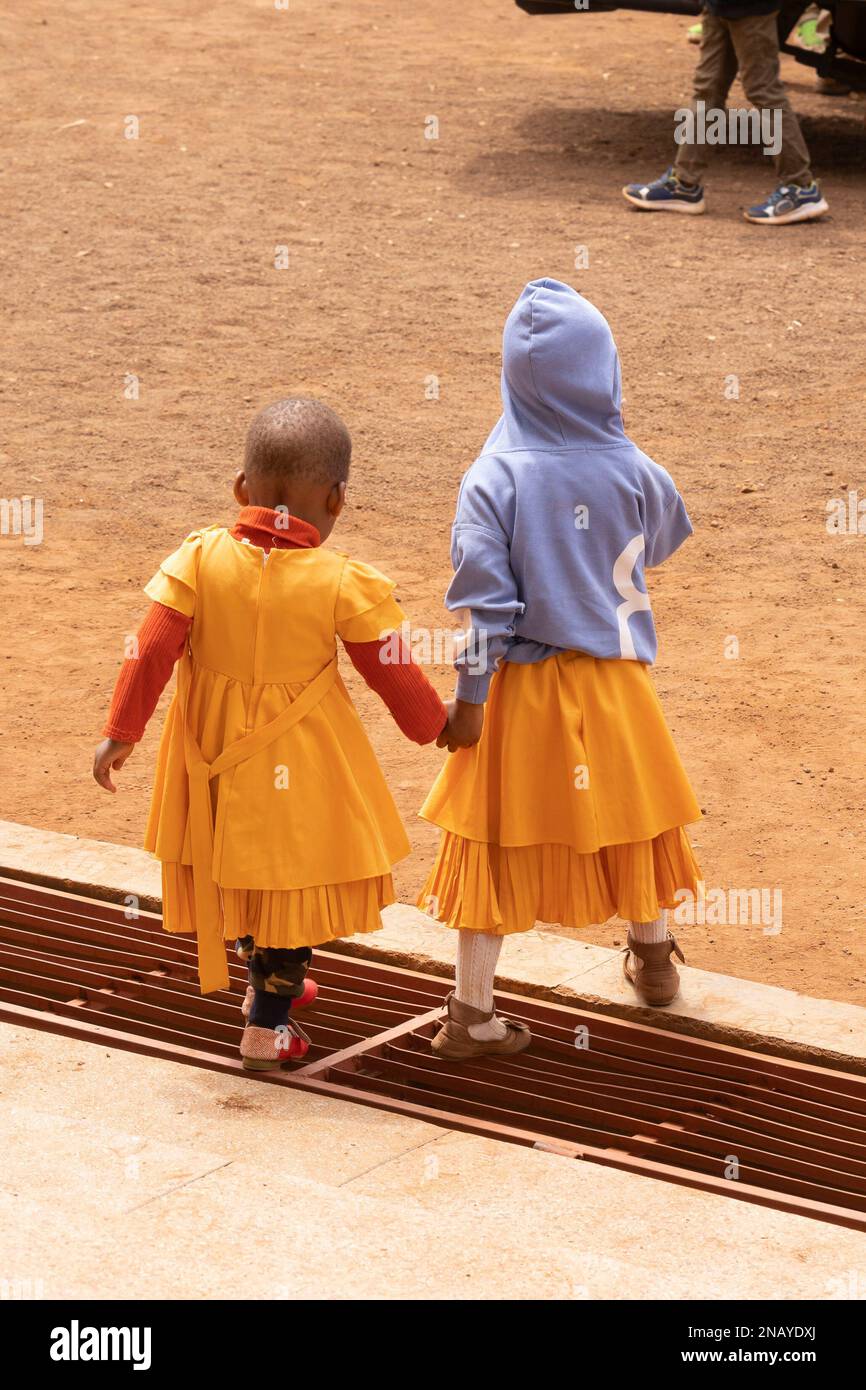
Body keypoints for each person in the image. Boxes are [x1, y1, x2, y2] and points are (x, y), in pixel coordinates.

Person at [93, 398, 448, 1070]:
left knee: (237, 870)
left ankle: (264, 985)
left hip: (211, 754)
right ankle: (266, 1029)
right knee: (286, 883)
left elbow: (151, 649)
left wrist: (121, 731)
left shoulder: (197, 561)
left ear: (239, 488)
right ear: (337, 499)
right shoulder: (341, 582)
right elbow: (392, 673)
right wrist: (437, 726)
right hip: (299, 763)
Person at [418, 280, 702, 1061]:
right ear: (604, 373)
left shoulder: (493, 477)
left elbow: (486, 609)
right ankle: (653, 963)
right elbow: (667, 530)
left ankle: (472, 1014)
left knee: (494, 843)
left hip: (522, 694)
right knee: (636, 820)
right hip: (616, 687)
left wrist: (469, 699)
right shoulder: (634, 467)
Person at [623, 2, 829, 225]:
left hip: (750, 8)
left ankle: (800, 188)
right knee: (708, 88)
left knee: (763, 90)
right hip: (718, 5)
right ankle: (685, 184)